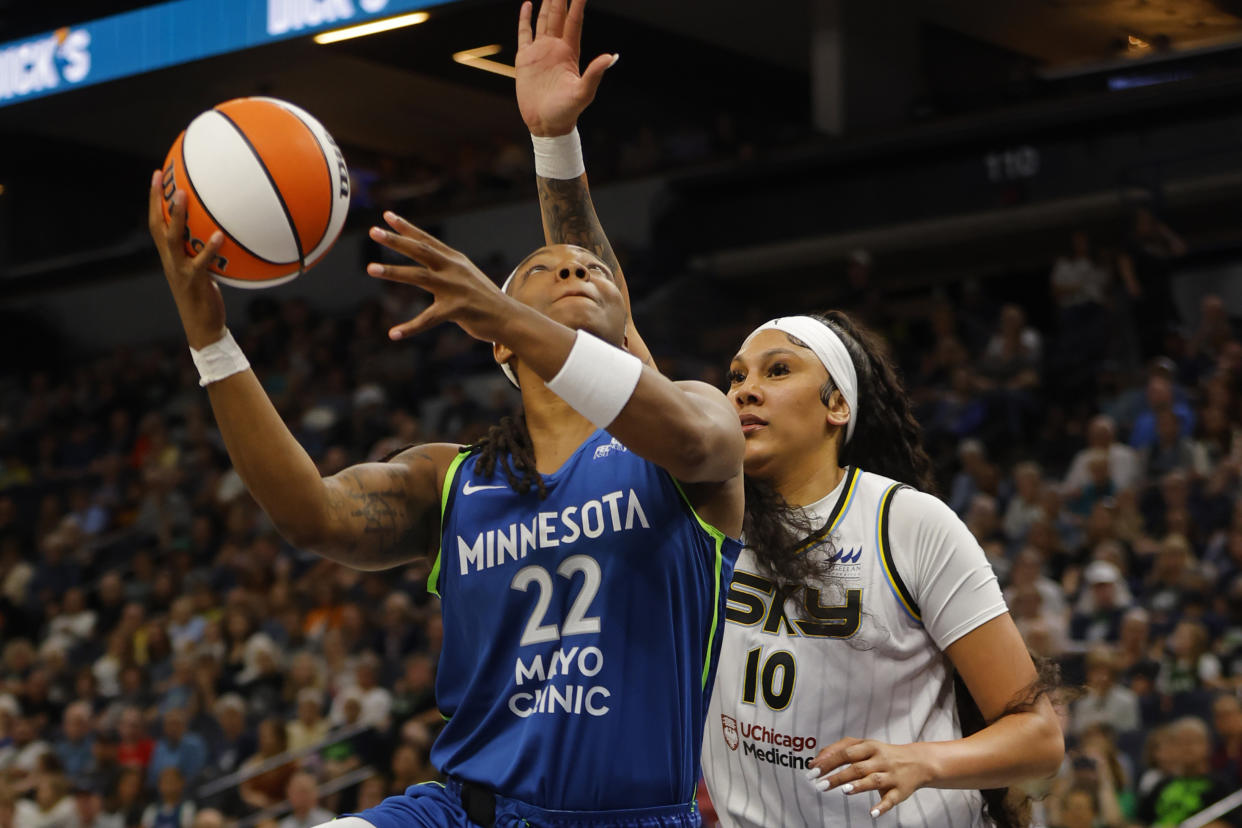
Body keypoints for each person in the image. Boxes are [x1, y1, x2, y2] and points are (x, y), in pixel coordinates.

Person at [147, 1, 743, 825]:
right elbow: (312, 516)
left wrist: (554, 151)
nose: (575, 272)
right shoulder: (453, 477)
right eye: (543, 271)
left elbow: (682, 427)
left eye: (592, 272)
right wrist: (210, 338)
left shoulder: (688, 436)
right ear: (502, 349)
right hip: (458, 812)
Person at [530, 13, 1064, 827]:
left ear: (836, 405)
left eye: (778, 373)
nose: (744, 389)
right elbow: (603, 311)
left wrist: (928, 760)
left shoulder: (907, 524)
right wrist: (554, 143)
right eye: (737, 374)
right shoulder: (706, 500)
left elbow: (1039, 736)